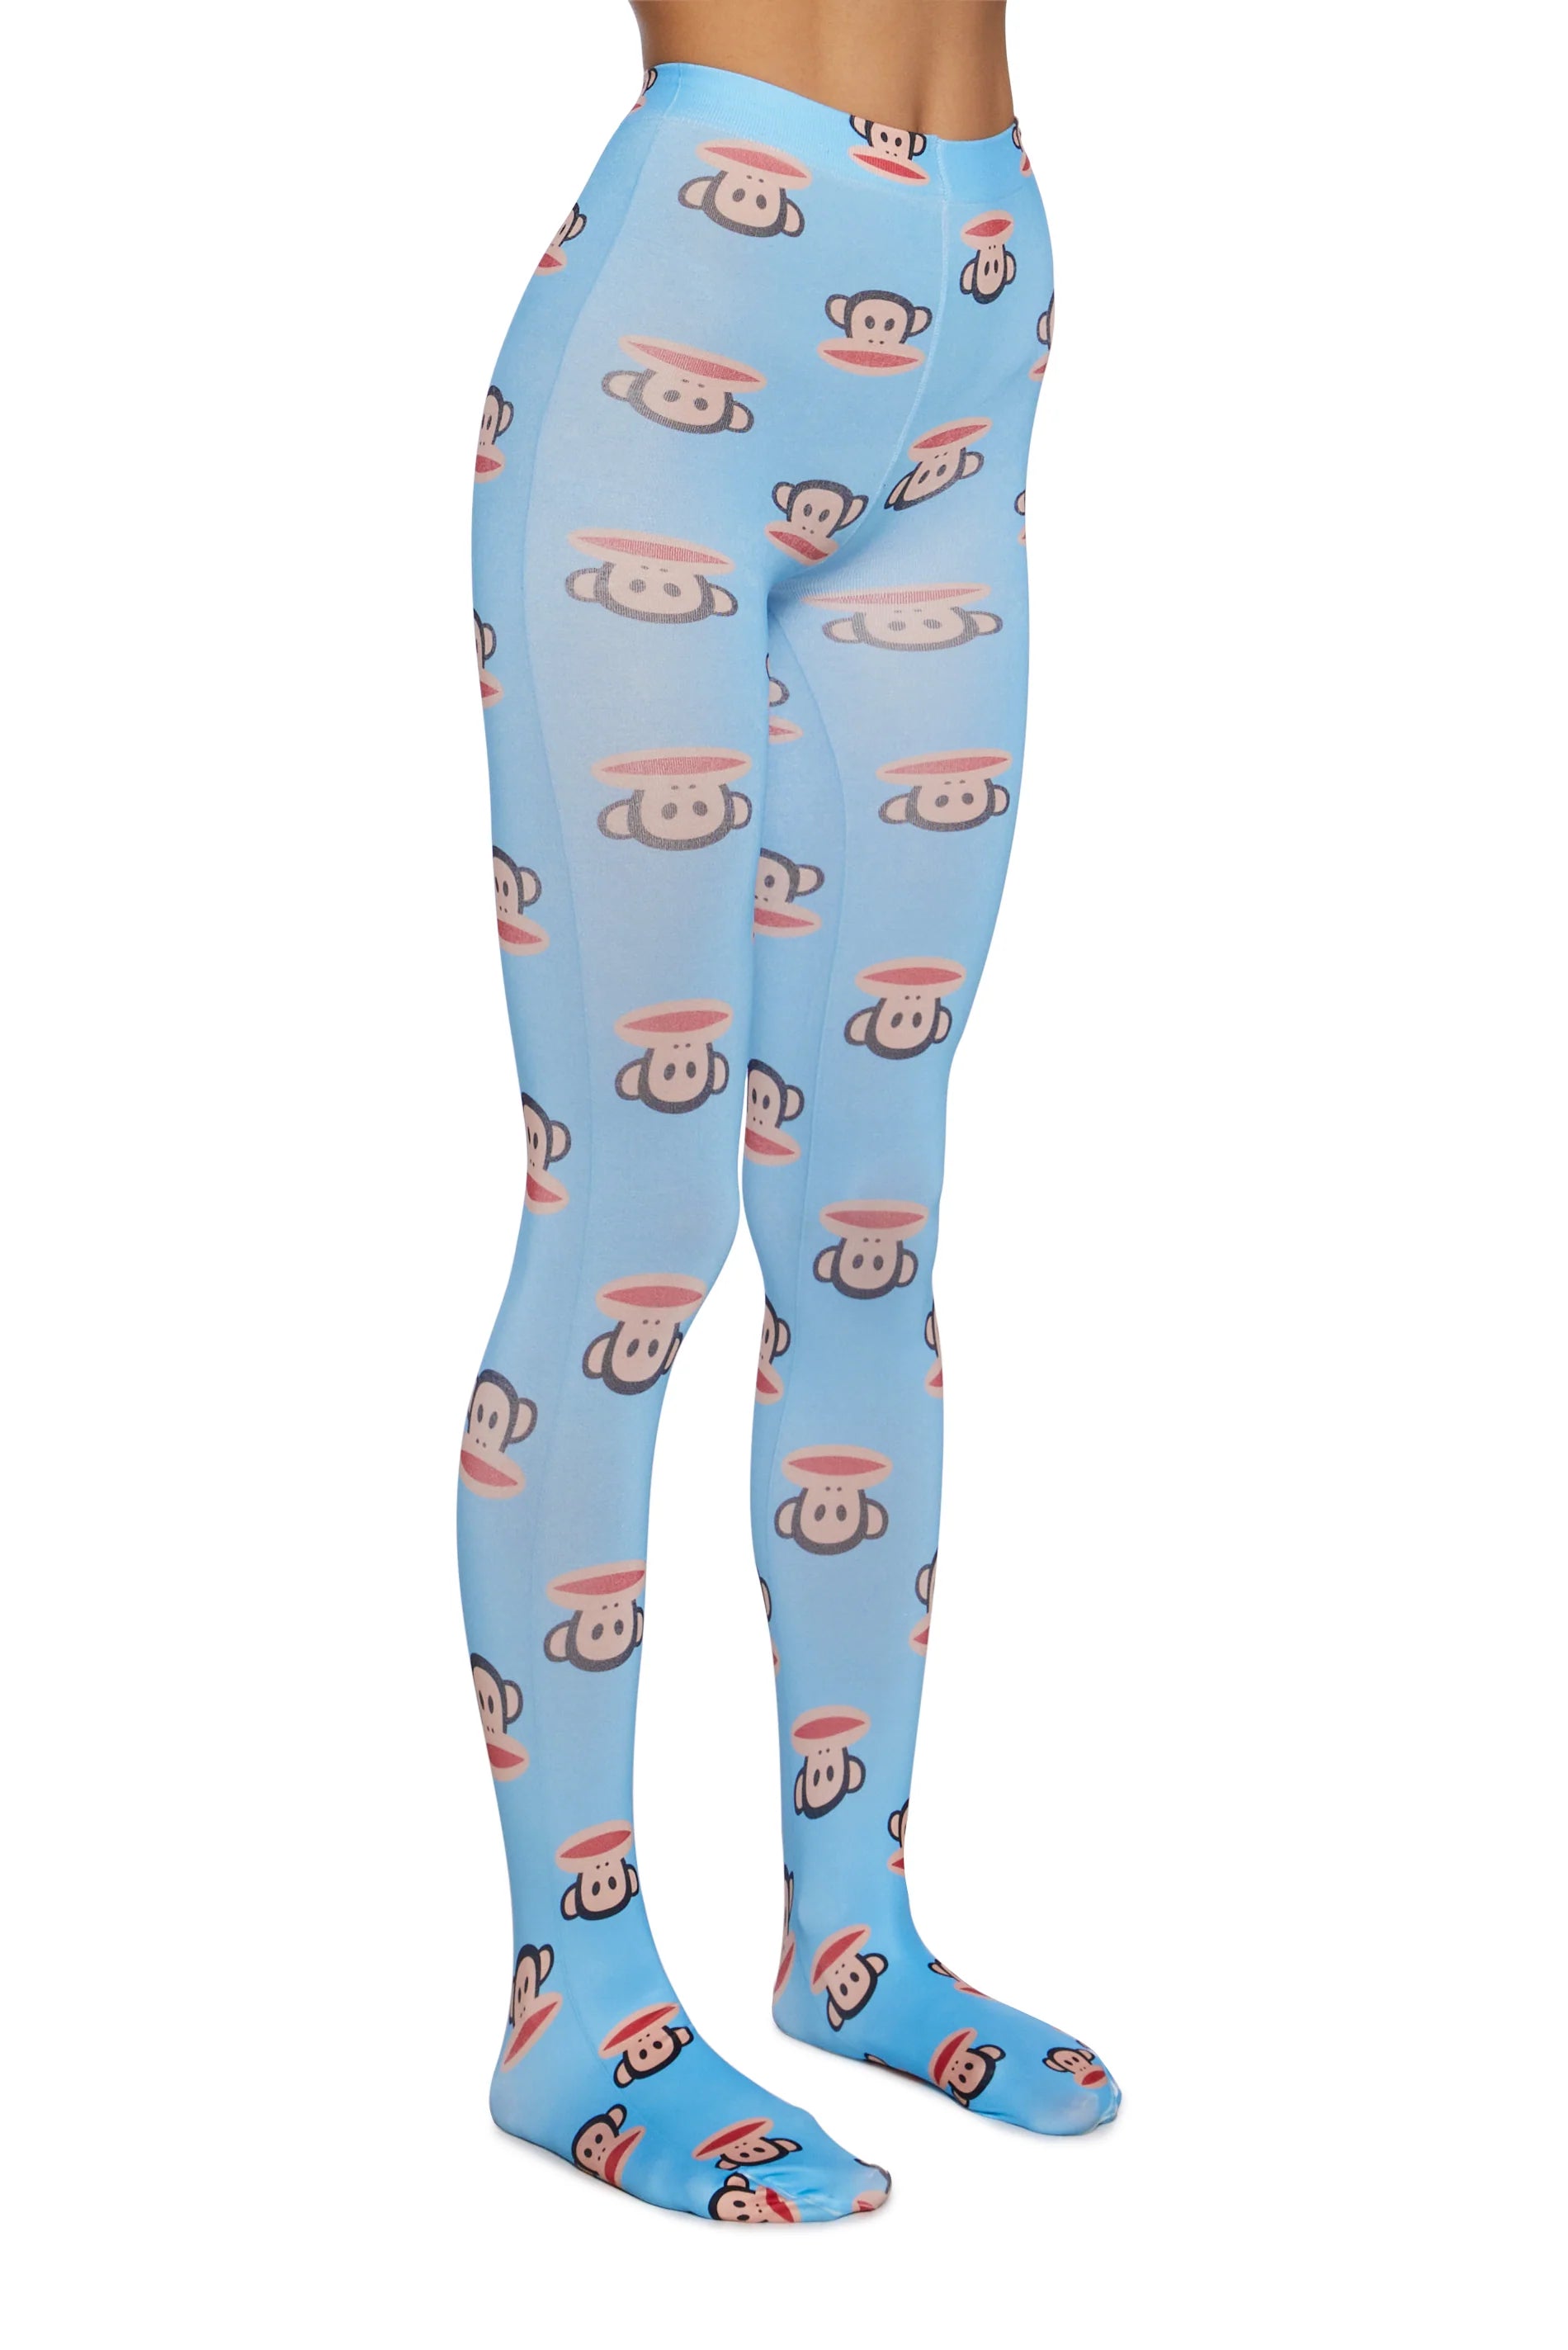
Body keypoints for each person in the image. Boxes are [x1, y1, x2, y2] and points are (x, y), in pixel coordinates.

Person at [459, 0, 1117, 2222]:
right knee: (631, 1228)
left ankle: (856, 1938)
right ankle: (574, 2003)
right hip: (689, 324)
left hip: (981, 301)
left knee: (870, 1223)